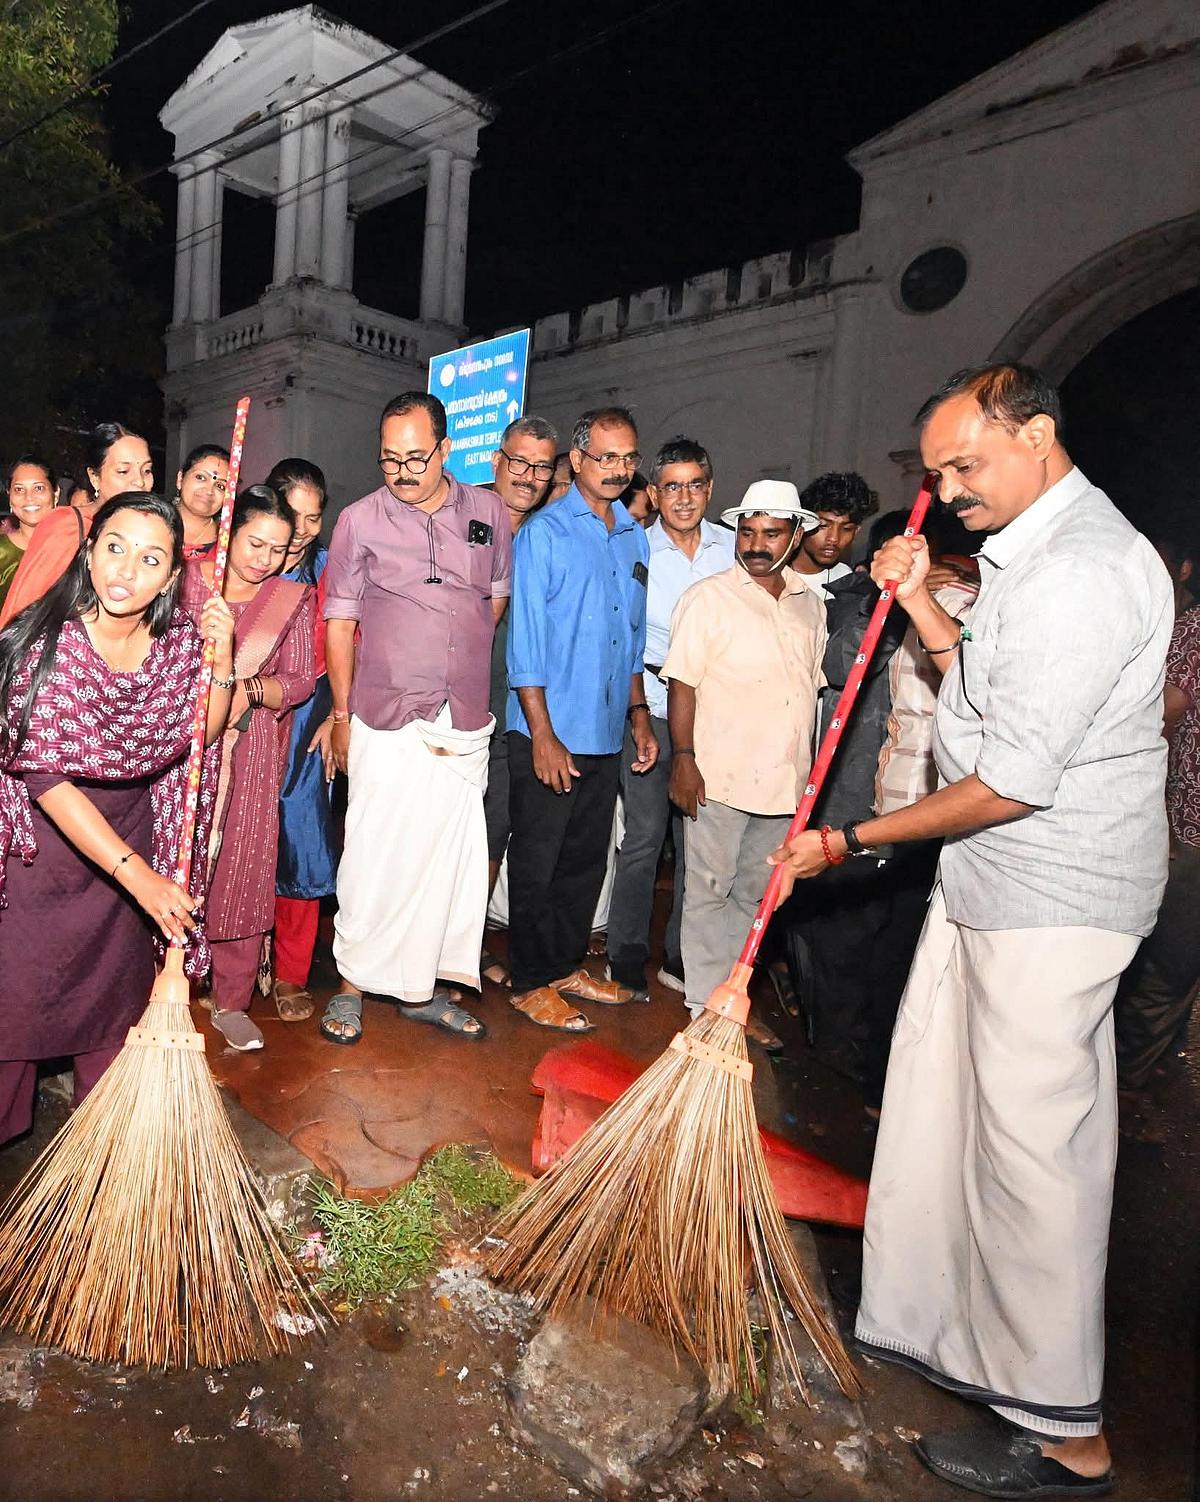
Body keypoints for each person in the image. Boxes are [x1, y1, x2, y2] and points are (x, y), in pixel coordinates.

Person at [771, 363, 1172, 1497]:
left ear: (1037, 434)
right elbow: (975, 682)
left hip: (1049, 894)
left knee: (1033, 1160)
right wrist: (918, 602)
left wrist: (853, 840)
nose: (946, 494)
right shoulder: (1034, 558)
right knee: (958, 1125)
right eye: (936, 474)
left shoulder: (1086, 570)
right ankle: (963, 1342)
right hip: (995, 886)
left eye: (964, 465)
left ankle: (1067, 1435)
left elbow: (1010, 776)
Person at [0, 492, 234, 1142]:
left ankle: (100, 1159)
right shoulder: (42, 647)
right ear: (89, 551)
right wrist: (140, 878)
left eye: (150, 557)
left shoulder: (178, 644)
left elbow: (199, 737)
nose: (126, 570)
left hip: (132, 834)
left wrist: (224, 657)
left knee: (111, 1009)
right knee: (16, 1013)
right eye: (115, 547)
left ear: (170, 576)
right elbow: (46, 777)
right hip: (39, 857)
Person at [321, 392, 511, 1045]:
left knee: (446, 861)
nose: (402, 472)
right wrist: (342, 713)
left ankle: (420, 989)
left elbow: (492, 599)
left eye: (416, 458)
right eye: (389, 459)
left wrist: (446, 651)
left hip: (463, 715)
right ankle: (350, 983)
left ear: (447, 449)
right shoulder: (358, 521)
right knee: (374, 851)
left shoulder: (488, 511)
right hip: (384, 711)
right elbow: (340, 622)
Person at [506, 405, 657, 1031]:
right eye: (605, 457)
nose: (618, 469)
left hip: (605, 730)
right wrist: (542, 733)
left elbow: (631, 638)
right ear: (577, 461)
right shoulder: (544, 533)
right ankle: (529, 979)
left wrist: (640, 715)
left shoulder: (633, 536)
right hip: (549, 729)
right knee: (538, 861)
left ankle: (566, 964)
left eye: (627, 458)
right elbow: (526, 644)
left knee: (584, 860)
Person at [663, 480, 825, 1047]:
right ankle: (703, 1012)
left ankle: (732, 1000)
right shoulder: (708, 598)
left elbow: (812, 693)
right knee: (708, 892)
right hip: (719, 775)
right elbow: (681, 684)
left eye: (771, 533)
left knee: (757, 900)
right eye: (747, 532)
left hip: (784, 783)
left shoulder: (811, 605)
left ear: (796, 534)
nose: (755, 544)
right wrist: (683, 759)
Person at [183, 487, 315, 1052]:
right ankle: (165, 984)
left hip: (254, 745)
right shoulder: (188, 582)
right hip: (182, 742)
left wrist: (251, 688)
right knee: (177, 857)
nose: (264, 559)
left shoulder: (292, 599)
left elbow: (303, 677)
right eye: (254, 542)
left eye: (278, 549)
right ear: (230, 532)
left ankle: (232, 999)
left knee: (242, 864)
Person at [605, 437, 733, 996]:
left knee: (699, 845)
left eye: (695, 485)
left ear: (710, 489)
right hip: (652, 709)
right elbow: (624, 640)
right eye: (672, 487)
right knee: (645, 836)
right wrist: (636, 713)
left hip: (715, 716)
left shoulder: (733, 551)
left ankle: (681, 956)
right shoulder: (633, 547)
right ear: (653, 494)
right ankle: (626, 954)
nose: (684, 498)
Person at [480, 415, 558, 986]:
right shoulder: (463, 522)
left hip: (515, 713)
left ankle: (468, 942)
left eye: (541, 466)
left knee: (494, 829)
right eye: (520, 463)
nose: (528, 476)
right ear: (496, 463)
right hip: (451, 708)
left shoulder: (543, 535)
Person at [1113, 592, 1200, 1101]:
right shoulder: (1193, 630)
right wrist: (1160, 819)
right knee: (1168, 968)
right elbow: (1156, 722)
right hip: (1191, 832)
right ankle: (1123, 1090)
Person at [267, 458, 338, 1022]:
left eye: (316, 517)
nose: (305, 529)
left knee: (301, 839)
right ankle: (236, 959)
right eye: (295, 514)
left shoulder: (328, 570)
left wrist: (338, 710)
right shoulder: (244, 563)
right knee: (238, 837)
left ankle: (291, 972)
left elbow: (350, 640)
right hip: (246, 714)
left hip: (309, 718)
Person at [0, 423, 155, 631]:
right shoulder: (67, 525)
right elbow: (20, 612)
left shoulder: (150, 532)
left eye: (146, 470)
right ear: (94, 477)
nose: (139, 481)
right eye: (123, 471)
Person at [792, 471, 878, 597]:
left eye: (846, 528)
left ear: (856, 531)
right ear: (803, 524)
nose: (834, 538)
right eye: (823, 526)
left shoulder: (848, 582)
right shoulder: (771, 575)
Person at [0, 456, 58, 609]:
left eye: (38, 488)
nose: (29, 498)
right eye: (19, 489)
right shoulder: (2, 552)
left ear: (56, 493)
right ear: (10, 497)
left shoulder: (73, 548)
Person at [175, 444, 232, 561]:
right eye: (200, 477)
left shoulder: (229, 542)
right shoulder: (152, 522)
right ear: (180, 479)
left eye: (220, 486)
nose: (209, 491)